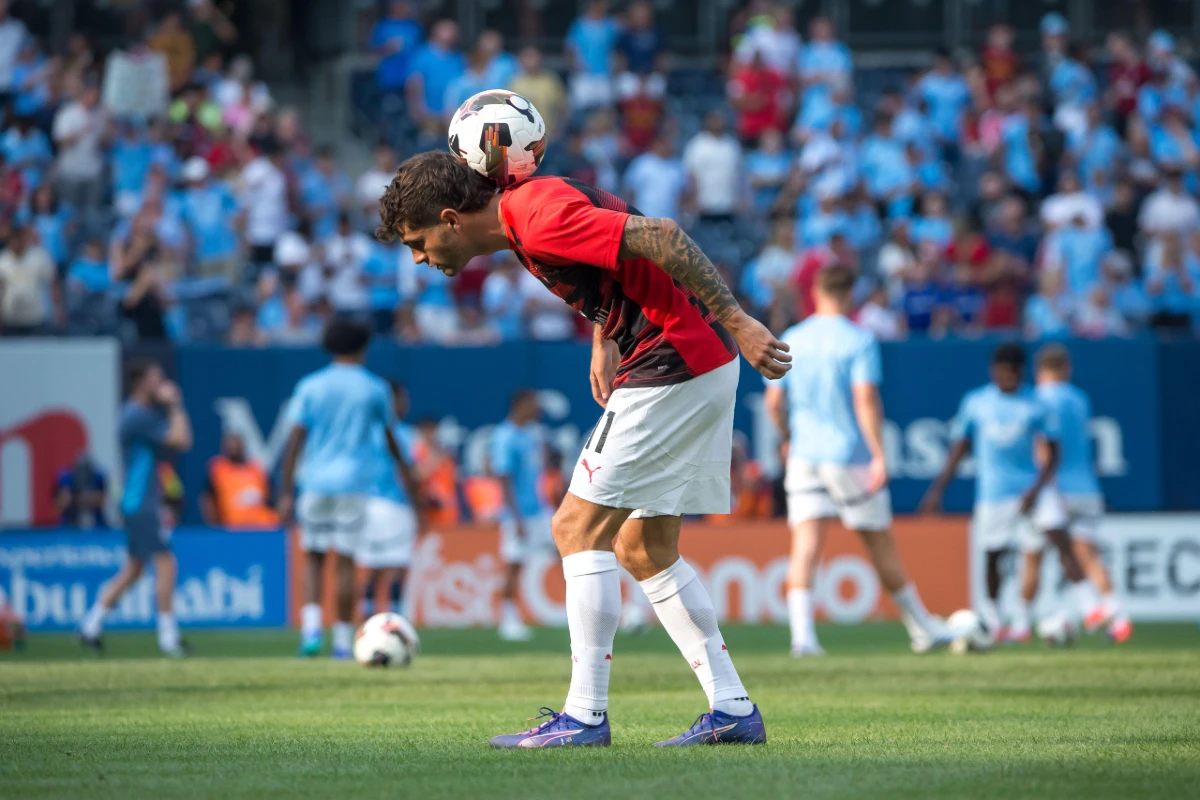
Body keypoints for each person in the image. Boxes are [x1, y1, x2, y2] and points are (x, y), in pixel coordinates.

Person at [376, 150, 790, 747]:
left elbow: (659, 234)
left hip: (674, 356)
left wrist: (739, 319)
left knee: (575, 527)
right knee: (644, 547)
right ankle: (732, 709)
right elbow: (614, 253)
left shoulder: (534, 214)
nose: (419, 257)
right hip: (682, 356)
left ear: (450, 218)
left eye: (417, 241)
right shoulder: (529, 209)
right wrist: (606, 332)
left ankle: (584, 716)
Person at [763, 266, 948, 656]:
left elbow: (774, 402)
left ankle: (803, 638)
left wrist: (787, 438)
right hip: (849, 455)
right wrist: (880, 453)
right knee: (879, 543)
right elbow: (865, 400)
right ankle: (921, 627)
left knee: (806, 545)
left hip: (804, 456)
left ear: (815, 291)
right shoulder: (859, 340)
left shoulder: (792, 339)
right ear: (850, 295)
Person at [920, 344, 1101, 642]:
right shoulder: (976, 403)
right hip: (994, 492)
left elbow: (1053, 453)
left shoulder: (1036, 403)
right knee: (994, 555)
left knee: (1059, 536)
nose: (1009, 377)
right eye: (1004, 371)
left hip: (1032, 486)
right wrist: (937, 490)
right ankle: (992, 617)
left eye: (1015, 372)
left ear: (1022, 371)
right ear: (994, 371)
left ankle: (1090, 604)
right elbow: (960, 448)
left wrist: (1036, 488)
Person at [278, 318, 418, 659]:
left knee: (312, 557)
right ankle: (342, 640)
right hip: (353, 484)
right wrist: (407, 473)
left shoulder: (311, 385)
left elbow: (295, 439)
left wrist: (284, 489)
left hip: (313, 482)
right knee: (345, 560)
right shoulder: (373, 388)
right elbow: (390, 438)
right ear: (364, 346)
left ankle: (311, 631)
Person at [78, 361, 193, 657]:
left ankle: (91, 625)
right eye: (157, 378)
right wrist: (175, 404)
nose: (162, 383)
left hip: (136, 501)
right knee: (166, 563)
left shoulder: (139, 414)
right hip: (141, 502)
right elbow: (182, 439)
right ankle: (169, 637)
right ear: (141, 383)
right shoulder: (138, 415)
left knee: (134, 569)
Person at [1030, 344, 1132, 643]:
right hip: (1087, 487)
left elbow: (1043, 446)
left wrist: (1045, 487)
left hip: (1055, 487)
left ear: (1039, 369)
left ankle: (1024, 621)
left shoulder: (1037, 400)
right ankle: (1118, 615)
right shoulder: (1079, 398)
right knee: (1088, 554)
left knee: (1037, 552)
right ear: (1066, 368)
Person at [490, 388, 557, 642]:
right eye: (532, 404)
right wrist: (515, 517)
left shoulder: (531, 435)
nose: (536, 409)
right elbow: (504, 479)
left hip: (540, 511)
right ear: (519, 405)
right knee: (514, 565)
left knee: (569, 554)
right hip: (518, 514)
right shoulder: (504, 436)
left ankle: (582, 612)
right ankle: (508, 620)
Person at [360, 380, 422, 619]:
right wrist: (418, 508)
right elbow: (407, 473)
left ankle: (367, 623)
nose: (405, 404)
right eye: (402, 399)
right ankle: (395, 620)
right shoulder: (402, 434)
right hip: (395, 505)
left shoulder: (366, 434)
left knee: (373, 569)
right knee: (397, 568)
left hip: (368, 505)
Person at [199, 432, 279, 529]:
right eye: (230, 443)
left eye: (237, 443)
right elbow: (207, 499)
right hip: (233, 529)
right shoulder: (217, 469)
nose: (234, 447)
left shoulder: (256, 469)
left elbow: (271, 498)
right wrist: (215, 527)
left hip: (263, 527)